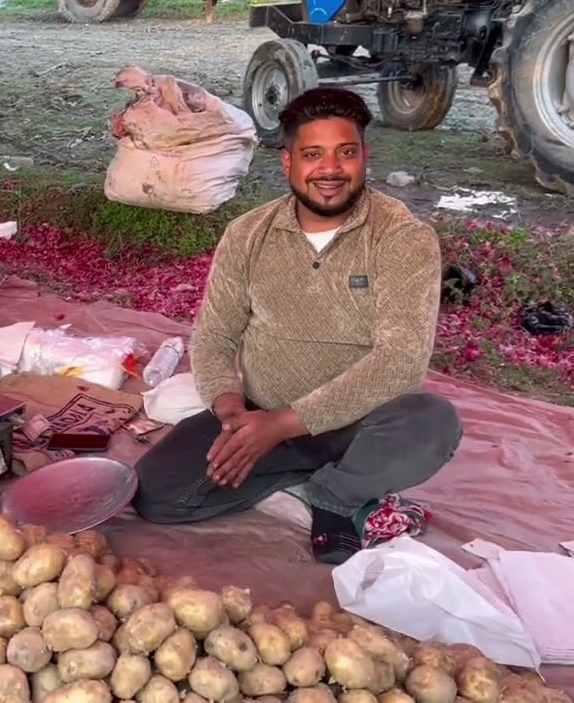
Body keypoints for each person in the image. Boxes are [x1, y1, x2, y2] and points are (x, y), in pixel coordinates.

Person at [131, 88, 462, 565]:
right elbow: (216, 333)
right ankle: (303, 473)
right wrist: (231, 414)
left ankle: (336, 496)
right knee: (156, 494)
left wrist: (285, 424)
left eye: (346, 153)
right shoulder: (247, 234)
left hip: (360, 425)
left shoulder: (403, 238)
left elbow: (401, 360)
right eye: (313, 155)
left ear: (364, 157)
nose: (330, 170)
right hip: (261, 411)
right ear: (288, 162)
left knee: (431, 423)